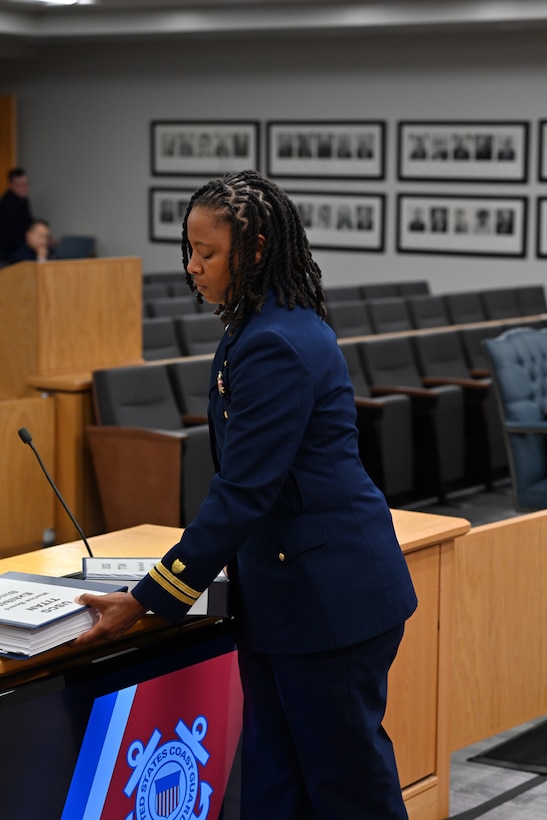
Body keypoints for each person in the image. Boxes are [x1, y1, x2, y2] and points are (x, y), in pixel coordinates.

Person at [74, 170, 417, 819]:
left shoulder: (276, 343)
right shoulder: (256, 326)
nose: (191, 267)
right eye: (188, 249)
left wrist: (148, 598)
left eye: (207, 253)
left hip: (327, 601)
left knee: (346, 791)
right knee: (275, 784)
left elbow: (242, 493)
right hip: (288, 595)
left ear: (255, 249)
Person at [0, 167, 33, 263]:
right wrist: (31, 242)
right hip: (8, 253)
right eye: (20, 185)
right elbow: (14, 233)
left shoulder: (24, 201)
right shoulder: (7, 204)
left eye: (26, 184)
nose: (24, 188)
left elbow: (30, 223)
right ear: (11, 185)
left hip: (20, 247)